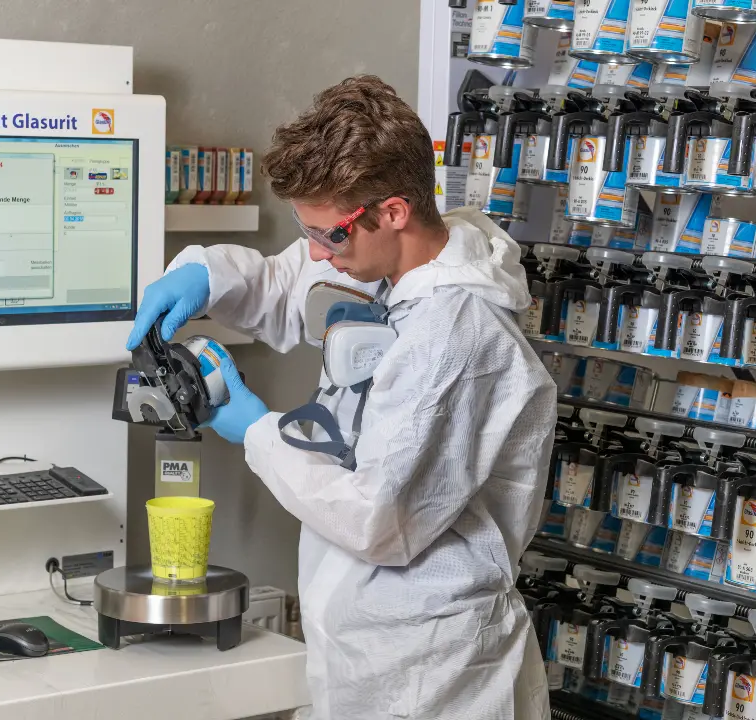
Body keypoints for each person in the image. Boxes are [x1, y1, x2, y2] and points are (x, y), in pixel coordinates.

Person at [126, 75, 556, 720]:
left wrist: (257, 432)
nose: (318, 255)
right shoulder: (390, 266)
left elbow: (379, 522)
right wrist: (209, 273)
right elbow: (285, 284)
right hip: (360, 638)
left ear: (393, 211)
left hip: (431, 664)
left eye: (329, 236)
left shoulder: (453, 338)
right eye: (309, 232)